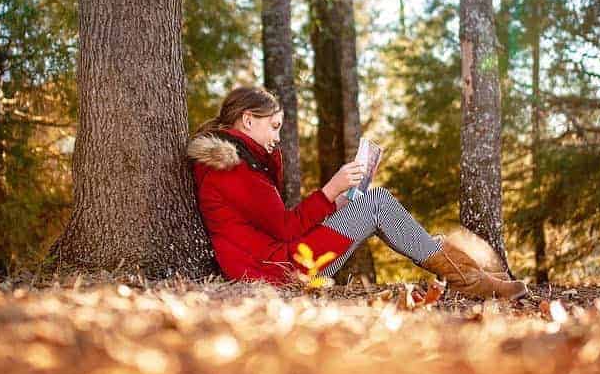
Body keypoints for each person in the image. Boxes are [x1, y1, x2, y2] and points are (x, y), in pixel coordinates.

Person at [188, 85, 527, 299]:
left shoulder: (239, 162)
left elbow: (276, 224)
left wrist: (337, 200)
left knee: (369, 200)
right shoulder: (231, 169)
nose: (277, 136)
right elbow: (286, 227)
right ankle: (467, 278)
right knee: (376, 202)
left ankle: (467, 275)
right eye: (273, 126)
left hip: (276, 259)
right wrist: (331, 189)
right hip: (277, 269)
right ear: (248, 121)